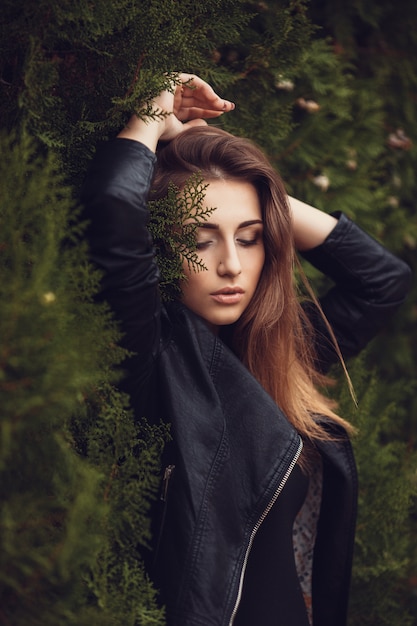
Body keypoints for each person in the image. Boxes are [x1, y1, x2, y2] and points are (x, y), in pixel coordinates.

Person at [81, 74, 412, 626]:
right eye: (199, 239)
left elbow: (383, 280)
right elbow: (115, 207)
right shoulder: (151, 360)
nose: (231, 264)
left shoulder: (271, 357)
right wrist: (150, 120)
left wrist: (263, 194)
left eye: (250, 237)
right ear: (161, 247)